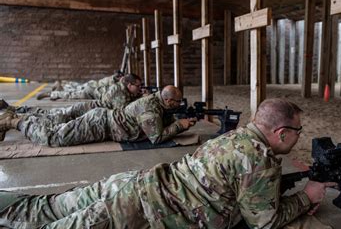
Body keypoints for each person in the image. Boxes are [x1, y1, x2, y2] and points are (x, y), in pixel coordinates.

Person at [0, 98, 335, 229]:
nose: (299, 136)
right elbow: (262, 222)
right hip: (136, 212)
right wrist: (306, 198)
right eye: (298, 131)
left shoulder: (236, 138)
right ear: (281, 133)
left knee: (45, 208)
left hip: (131, 184)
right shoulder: (257, 159)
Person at [0, 85, 196, 145]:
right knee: (55, 137)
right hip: (100, 124)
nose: (179, 105)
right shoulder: (150, 109)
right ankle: (13, 122)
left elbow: (163, 120)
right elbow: (156, 137)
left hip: (103, 119)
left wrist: (178, 119)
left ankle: (20, 119)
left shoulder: (157, 102)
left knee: (57, 126)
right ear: (168, 101)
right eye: (177, 102)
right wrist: (181, 125)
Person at [36, 74, 143, 111]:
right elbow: (124, 109)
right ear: (129, 85)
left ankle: (61, 86)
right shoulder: (119, 91)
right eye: (138, 86)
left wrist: (139, 94)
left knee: (75, 89)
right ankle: (52, 94)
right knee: (72, 94)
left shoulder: (123, 86)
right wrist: (142, 99)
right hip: (92, 91)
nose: (140, 88)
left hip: (94, 89)